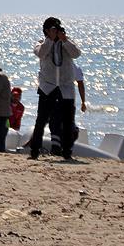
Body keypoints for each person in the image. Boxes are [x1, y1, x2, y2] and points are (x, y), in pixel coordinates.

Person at [28, 17, 81, 160]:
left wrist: (64, 40)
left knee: (68, 121)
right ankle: (34, 150)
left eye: (57, 29)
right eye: (52, 29)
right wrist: (50, 40)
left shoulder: (66, 42)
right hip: (48, 87)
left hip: (66, 87)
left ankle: (67, 151)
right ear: (46, 31)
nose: (56, 31)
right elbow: (41, 53)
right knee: (41, 120)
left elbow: (76, 53)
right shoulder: (41, 43)